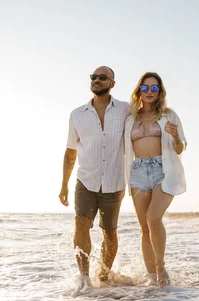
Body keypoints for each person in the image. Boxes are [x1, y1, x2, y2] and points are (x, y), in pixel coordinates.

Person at [59, 66, 129, 288]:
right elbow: (71, 152)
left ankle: (105, 275)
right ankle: (84, 277)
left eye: (102, 77)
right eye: (93, 77)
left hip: (114, 181)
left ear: (112, 84)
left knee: (109, 232)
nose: (97, 80)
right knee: (81, 224)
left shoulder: (126, 110)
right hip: (85, 180)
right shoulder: (77, 114)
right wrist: (64, 185)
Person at [123, 72, 187, 286]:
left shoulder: (169, 115)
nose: (149, 92)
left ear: (160, 91)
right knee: (144, 228)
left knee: (153, 218)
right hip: (138, 171)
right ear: (138, 91)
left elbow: (180, 148)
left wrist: (176, 136)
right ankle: (152, 279)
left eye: (154, 88)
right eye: (145, 87)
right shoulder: (130, 118)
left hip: (164, 169)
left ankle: (161, 268)